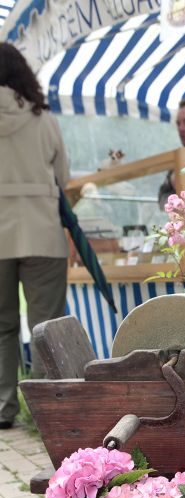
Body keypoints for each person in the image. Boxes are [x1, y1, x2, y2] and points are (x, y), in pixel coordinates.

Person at [0, 43, 70, 428]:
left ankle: (3, 408)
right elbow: (64, 177)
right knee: (45, 325)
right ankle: (45, 412)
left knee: (2, 326)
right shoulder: (44, 119)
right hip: (42, 231)